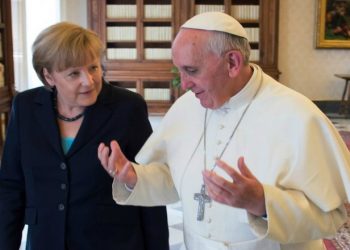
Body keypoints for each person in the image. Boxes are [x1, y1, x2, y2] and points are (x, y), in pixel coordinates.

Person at [98, 12, 350, 250]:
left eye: (192, 70)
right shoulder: (186, 108)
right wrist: (135, 178)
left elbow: (331, 217)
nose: (183, 84)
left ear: (232, 62)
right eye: (179, 70)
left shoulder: (299, 116)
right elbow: (176, 181)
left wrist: (263, 204)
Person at [0, 22, 169, 250]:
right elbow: (12, 186)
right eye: (73, 74)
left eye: (93, 68)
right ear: (48, 76)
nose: (88, 81)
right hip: (46, 241)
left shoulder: (128, 108)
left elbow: (150, 190)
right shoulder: (26, 107)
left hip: (112, 242)